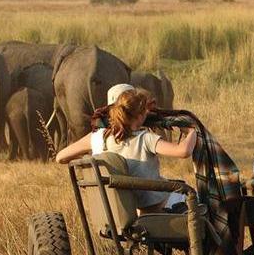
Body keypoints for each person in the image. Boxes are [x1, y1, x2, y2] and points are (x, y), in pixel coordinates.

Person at [55, 88, 198, 214]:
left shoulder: (96, 138)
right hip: (151, 209)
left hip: (114, 211)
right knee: (190, 195)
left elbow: (60, 157)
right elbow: (184, 151)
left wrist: (89, 161)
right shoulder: (146, 138)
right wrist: (192, 131)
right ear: (141, 115)